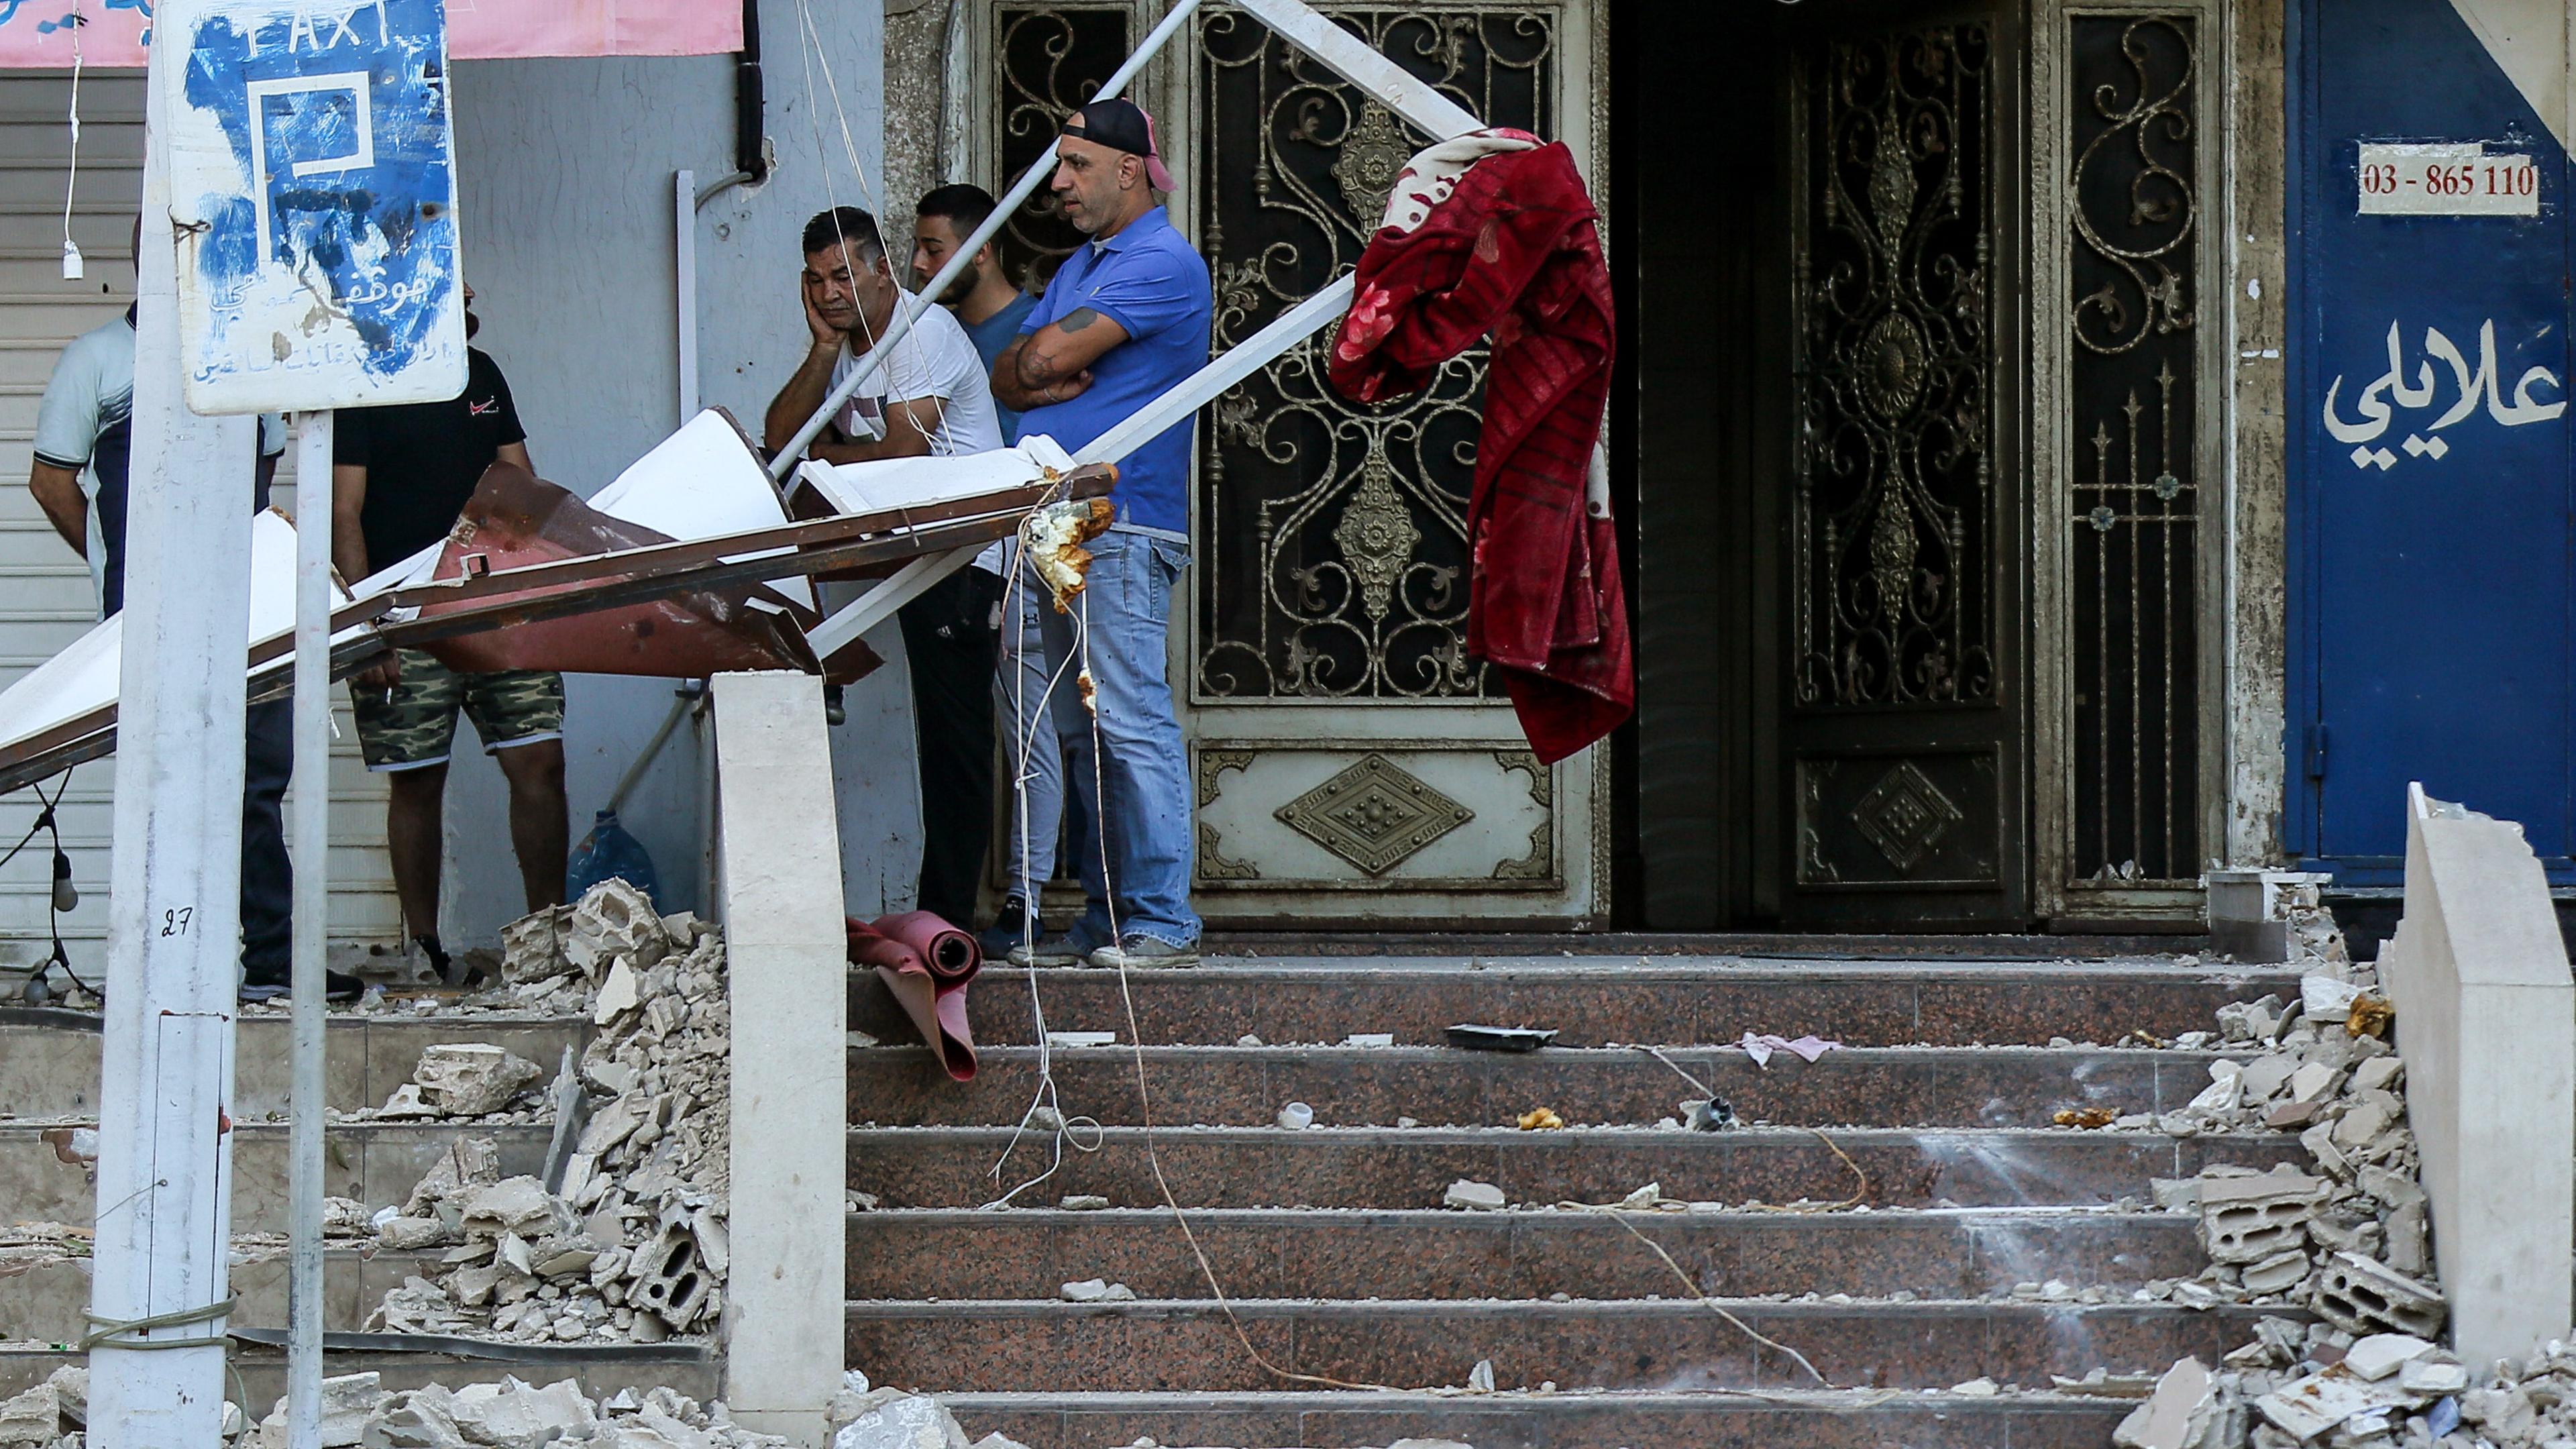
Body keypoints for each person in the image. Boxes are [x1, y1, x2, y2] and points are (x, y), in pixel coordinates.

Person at [28, 221, 360, 1000]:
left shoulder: (248, 355)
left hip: (249, 614)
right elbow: (52, 482)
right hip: (146, 621)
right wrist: (115, 563)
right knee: (162, 781)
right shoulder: (98, 360)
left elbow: (267, 470)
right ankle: (163, 964)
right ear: (144, 256)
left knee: (256, 784)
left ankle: (272, 963)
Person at [989, 99, 1213, 969]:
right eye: (1060, 165)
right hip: (1057, 521)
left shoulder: (1160, 262)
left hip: (1121, 521)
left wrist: (1046, 363)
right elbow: (1011, 373)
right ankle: (1106, 919)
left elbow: (1037, 361)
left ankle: (1162, 921)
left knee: (1126, 718)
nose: (1060, 184)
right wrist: (1039, 363)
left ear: (1130, 169)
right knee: (1083, 729)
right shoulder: (1085, 265)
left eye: (1078, 166)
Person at [765, 207, 1010, 930]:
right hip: (917, 557)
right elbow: (781, 440)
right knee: (937, 736)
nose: (831, 291)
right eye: (816, 280)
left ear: (881, 269)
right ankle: (938, 913)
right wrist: (819, 349)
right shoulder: (846, 346)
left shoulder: (920, 329)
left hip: (970, 555)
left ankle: (953, 918)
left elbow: (903, 449)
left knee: (957, 742)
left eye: (844, 274)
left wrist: (818, 460)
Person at [332, 284, 568, 981]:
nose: (470, 299)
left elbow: (522, 482)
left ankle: (546, 943)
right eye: (454, 288)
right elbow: (345, 513)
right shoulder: (363, 384)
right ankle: (425, 951)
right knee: (416, 782)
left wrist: (538, 579)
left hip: (496, 608)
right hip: (404, 620)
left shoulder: (482, 374)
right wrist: (367, 630)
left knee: (540, 763)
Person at [911, 185, 1095, 957]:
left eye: (932, 248)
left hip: (1037, 537)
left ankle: (1030, 896)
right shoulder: (937, 334)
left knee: (1042, 720)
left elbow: (1057, 436)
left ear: (978, 249)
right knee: (1002, 724)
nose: (918, 264)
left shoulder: (1030, 329)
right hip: (974, 549)